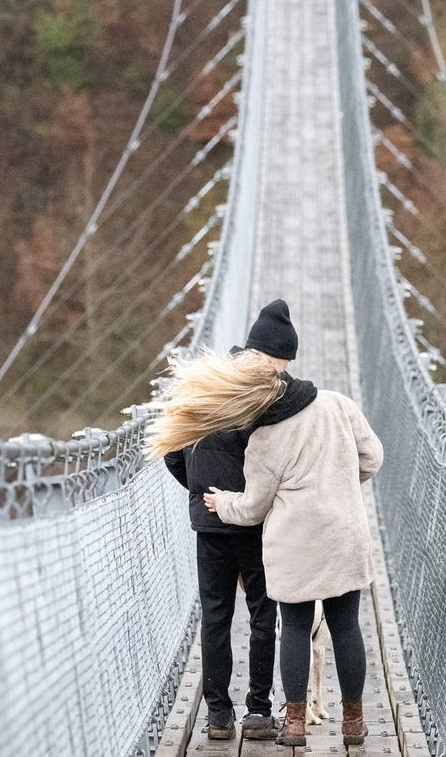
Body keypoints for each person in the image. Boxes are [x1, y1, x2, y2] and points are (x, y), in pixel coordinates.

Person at [147, 300, 383, 748]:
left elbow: (188, 458)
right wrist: (334, 482)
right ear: (282, 361)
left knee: (251, 621)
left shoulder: (236, 407)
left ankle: (254, 719)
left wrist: (208, 497)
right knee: (314, 622)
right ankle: (310, 717)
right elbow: (369, 458)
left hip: (253, 528)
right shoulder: (311, 402)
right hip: (305, 527)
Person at [154, 300, 314, 742]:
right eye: (281, 363)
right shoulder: (269, 395)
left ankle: (218, 717)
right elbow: (300, 404)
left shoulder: (207, 384)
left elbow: (171, 449)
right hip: (255, 520)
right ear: (269, 356)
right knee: (265, 615)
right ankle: (258, 712)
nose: (283, 372)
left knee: (216, 617)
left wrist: (202, 491)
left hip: (209, 523)